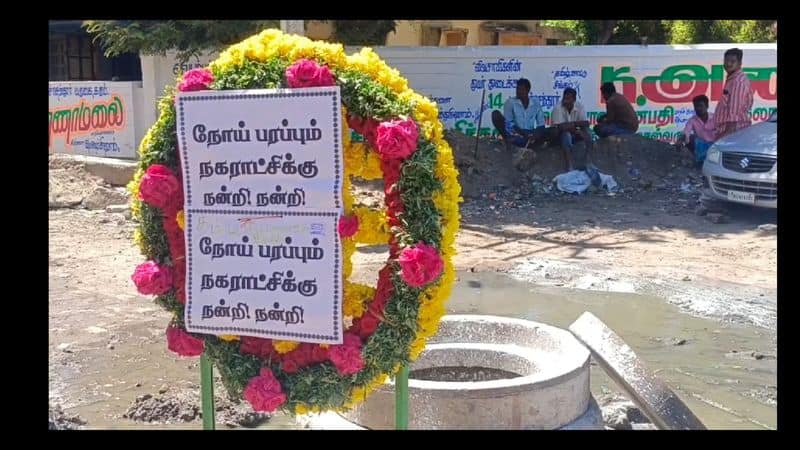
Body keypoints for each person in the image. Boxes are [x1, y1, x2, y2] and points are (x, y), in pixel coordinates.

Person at [491, 78, 548, 150]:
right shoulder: (510, 102)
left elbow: (541, 124)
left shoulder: (535, 103)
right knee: (496, 114)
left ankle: (532, 143)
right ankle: (513, 142)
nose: (518, 92)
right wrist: (524, 134)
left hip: (530, 133)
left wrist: (535, 135)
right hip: (516, 133)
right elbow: (509, 124)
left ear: (527, 91)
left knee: (552, 131)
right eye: (517, 89)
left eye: (521, 90)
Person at [714, 48, 754, 141]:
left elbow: (734, 115)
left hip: (733, 133)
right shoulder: (732, 78)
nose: (728, 64)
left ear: (740, 63)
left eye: (733, 61)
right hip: (729, 132)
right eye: (726, 61)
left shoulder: (738, 82)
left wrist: (723, 138)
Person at [551, 87, 592, 170]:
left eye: (568, 99)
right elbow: (561, 127)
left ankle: (588, 161)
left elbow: (586, 123)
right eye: (564, 98)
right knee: (566, 135)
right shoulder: (558, 108)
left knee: (587, 132)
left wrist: (574, 124)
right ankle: (569, 165)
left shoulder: (579, 106)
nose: (565, 101)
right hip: (559, 136)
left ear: (574, 99)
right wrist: (576, 129)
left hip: (575, 132)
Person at [676, 95, 715, 167]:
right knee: (690, 138)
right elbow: (686, 131)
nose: (698, 108)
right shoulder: (692, 120)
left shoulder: (715, 118)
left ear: (707, 106)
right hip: (701, 147)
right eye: (696, 106)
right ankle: (698, 161)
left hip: (715, 147)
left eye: (700, 106)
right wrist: (680, 139)